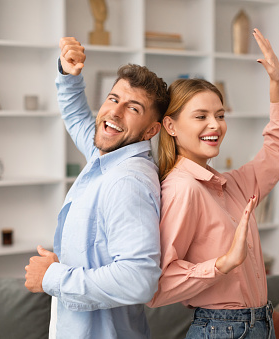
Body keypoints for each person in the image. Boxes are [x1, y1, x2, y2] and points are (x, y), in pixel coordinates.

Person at [146, 28, 279, 339]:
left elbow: (278, 152)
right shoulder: (181, 188)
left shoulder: (228, 185)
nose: (215, 125)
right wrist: (222, 264)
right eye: (201, 116)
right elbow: (157, 286)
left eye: (220, 115)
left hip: (258, 324)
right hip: (223, 329)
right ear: (170, 126)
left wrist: (277, 86)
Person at [24, 37, 170, 339]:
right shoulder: (105, 155)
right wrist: (69, 74)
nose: (115, 113)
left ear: (151, 130)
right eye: (114, 99)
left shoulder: (127, 181)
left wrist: (53, 276)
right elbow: (78, 117)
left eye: (133, 108)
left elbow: (138, 279)